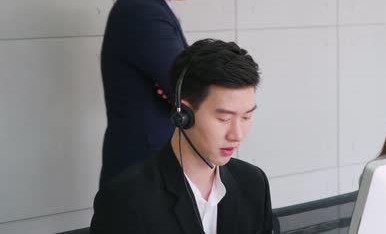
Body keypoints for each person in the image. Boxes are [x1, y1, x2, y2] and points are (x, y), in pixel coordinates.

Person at [90, 39, 273, 234]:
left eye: (246, 116)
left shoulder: (253, 183)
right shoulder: (126, 199)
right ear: (183, 114)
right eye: (224, 118)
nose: (237, 135)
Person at [99, 0, 206, 187]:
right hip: (143, 163)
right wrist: (180, 86)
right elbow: (186, 88)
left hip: (148, 158)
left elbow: (178, 82)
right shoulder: (142, 12)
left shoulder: (147, 5)